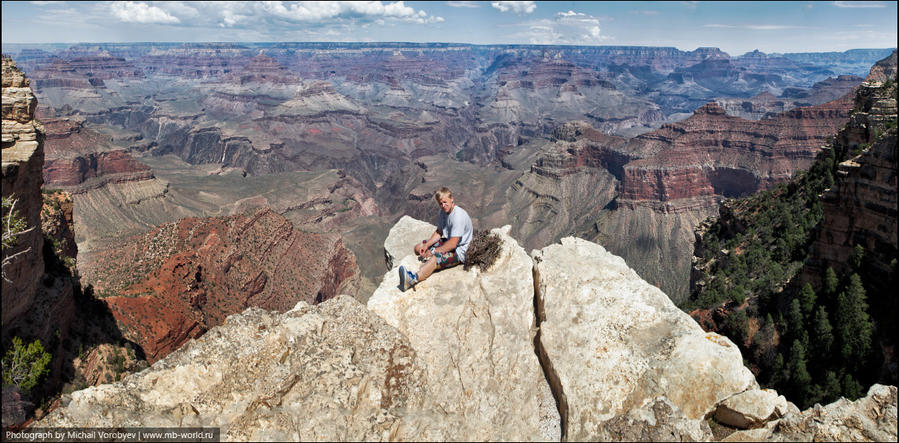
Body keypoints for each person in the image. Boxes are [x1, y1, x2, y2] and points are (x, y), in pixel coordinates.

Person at [399, 187, 473, 291]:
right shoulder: (444, 212)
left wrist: (434, 251)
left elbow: (453, 244)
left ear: (452, 199)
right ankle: (428, 259)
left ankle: (412, 279)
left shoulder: (458, 216)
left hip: (460, 251)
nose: (443, 205)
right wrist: (426, 245)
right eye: (440, 203)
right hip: (449, 242)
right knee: (418, 248)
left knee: (435, 259)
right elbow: (439, 232)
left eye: (445, 202)